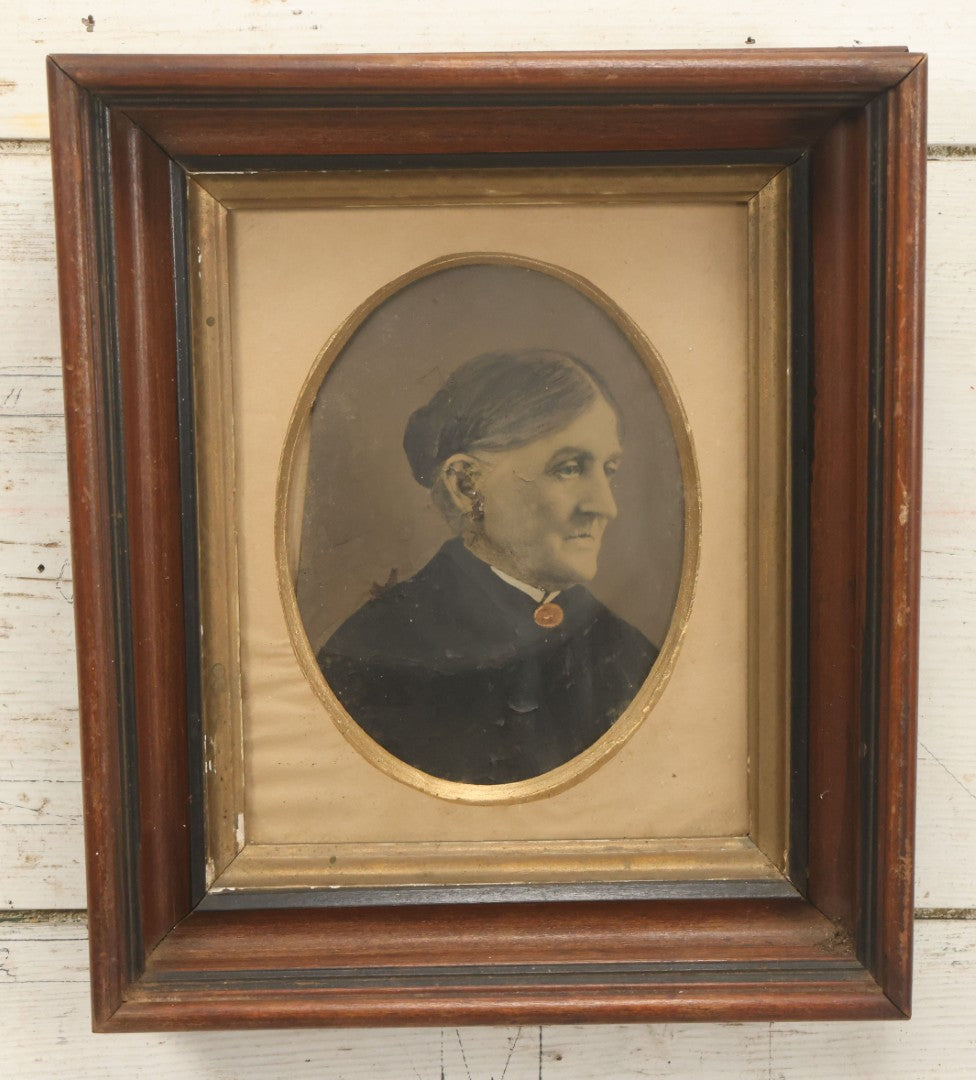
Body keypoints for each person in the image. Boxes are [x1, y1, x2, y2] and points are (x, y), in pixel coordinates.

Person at [317, 349, 658, 785]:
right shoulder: (372, 654)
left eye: (608, 469)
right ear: (466, 485)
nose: (606, 507)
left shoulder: (631, 655)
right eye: (569, 468)